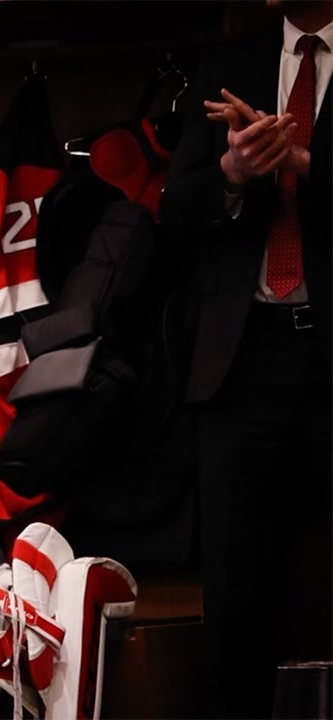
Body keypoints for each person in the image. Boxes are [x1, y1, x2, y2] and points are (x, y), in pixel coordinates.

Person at [161, 1, 331, 716]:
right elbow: (176, 210)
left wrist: (299, 162)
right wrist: (232, 171)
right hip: (243, 363)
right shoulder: (229, 64)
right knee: (235, 606)